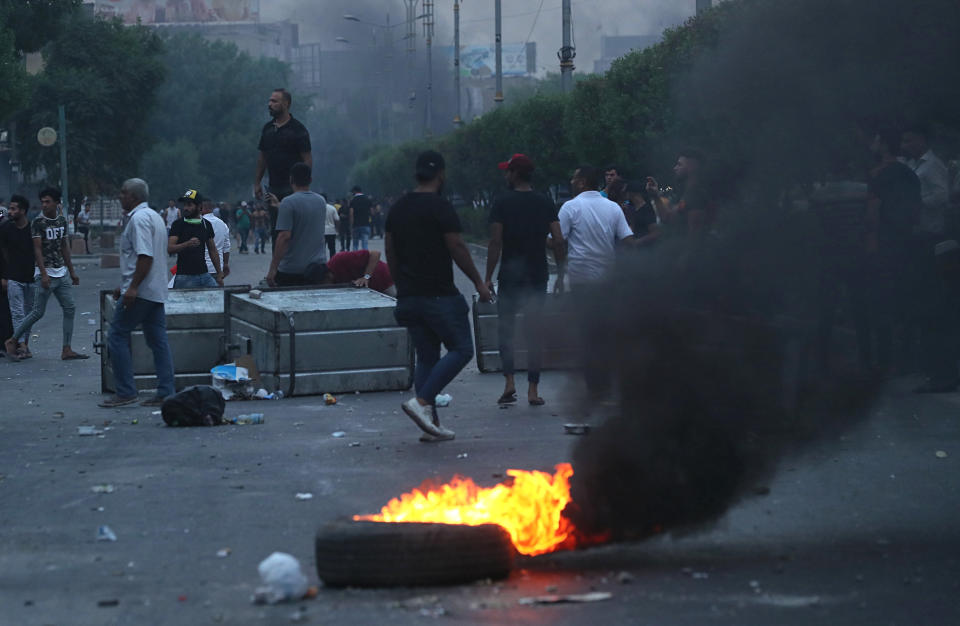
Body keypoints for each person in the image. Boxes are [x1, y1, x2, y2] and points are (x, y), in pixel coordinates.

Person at [385, 150, 492, 442]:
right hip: (438, 296)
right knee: (462, 349)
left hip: (410, 298)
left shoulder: (398, 208)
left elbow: (390, 252)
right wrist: (479, 282)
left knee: (427, 357)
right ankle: (421, 403)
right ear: (441, 174)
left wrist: (402, 285)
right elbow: (456, 246)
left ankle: (429, 424)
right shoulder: (441, 207)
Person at [484, 153, 565, 406]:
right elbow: (558, 240)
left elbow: (496, 241)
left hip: (510, 274)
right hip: (537, 274)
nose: (505, 175)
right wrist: (561, 274)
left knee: (506, 329)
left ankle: (509, 383)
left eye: (508, 171)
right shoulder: (545, 202)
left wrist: (487, 277)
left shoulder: (502, 202)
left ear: (515, 174)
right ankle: (533, 390)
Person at [99, 178, 175, 408]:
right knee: (158, 340)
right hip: (155, 290)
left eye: (123, 193)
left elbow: (145, 256)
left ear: (134, 197)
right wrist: (125, 285)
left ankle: (125, 391)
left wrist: (131, 288)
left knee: (117, 335)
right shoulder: (153, 217)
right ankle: (166, 390)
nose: (120, 196)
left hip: (141, 291)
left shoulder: (139, 219)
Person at [4, 187, 88, 361]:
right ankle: (13, 341)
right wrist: (43, 274)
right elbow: (37, 249)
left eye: (48, 201)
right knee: (36, 312)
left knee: (70, 308)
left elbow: (64, 246)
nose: (44, 205)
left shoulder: (61, 221)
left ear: (57, 203)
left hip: (61, 272)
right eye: (42, 202)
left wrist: (72, 271)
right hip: (46, 273)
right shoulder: (38, 223)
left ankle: (66, 348)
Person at [556, 166, 635, 291]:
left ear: (582, 183)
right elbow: (629, 241)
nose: (571, 182)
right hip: (606, 277)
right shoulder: (613, 207)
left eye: (574, 179)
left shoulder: (570, 207)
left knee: (582, 310)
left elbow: (557, 240)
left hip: (579, 278)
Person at [254, 88, 312, 248]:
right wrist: (257, 182)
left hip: (293, 188)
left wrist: (304, 186)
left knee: (293, 230)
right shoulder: (267, 129)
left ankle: (296, 266)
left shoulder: (298, 130)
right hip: (273, 187)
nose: (269, 104)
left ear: (286, 104)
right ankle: (278, 268)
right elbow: (262, 158)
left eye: (274, 101)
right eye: (269, 101)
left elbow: (307, 158)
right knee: (276, 230)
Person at [266, 162, 328, 287]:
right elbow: (305, 213)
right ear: (310, 180)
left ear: (291, 180)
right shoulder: (321, 201)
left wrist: (273, 269)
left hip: (292, 271)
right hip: (317, 268)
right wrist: (280, 206)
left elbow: (284, 236)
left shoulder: (288, 203)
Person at [0, 195, 36, 359]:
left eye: (14, 208)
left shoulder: (33, 228)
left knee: (29, 313)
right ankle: (21, 345)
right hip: (13, 277)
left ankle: (24, 343)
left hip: (30, 276)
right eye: (10, 208)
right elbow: (3, 253)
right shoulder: (6, 228)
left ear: (23, 211)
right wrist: (5, 276)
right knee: (17, 313)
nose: (10, 211)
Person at [167, 189, 222, 288]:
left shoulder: (206, 224)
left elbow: (212, 250)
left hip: (205, 276)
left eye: (189, 205)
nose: (185, 208)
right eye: (185, 205)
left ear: (199, 206)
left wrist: (219, 274)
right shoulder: (178, 224)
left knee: (217, 299)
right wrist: (186, 244)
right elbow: (170, 249)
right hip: (184, 277)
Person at [316, 249, 395, 296]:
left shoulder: (339, 259)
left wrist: (366, 277)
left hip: (383, 278)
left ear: (327, 276)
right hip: (371, 290)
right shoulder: (334, 282)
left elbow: (376, 253)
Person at [203, 199, 231, 283]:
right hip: (217, 268)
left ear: (201, 208)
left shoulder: (199, 223)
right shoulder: (222, 224)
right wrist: (225, 264)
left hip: (201, 268)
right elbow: (226, 247)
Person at [349, 185, 373, 251]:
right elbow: (372, 211)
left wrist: (351, 225)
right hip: (365, 224)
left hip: (356, 225)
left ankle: (355, 259)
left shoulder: (353, 200)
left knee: (355, 244)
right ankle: (365, 259)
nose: (352, 193)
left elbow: (351, 214)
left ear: (355, 191)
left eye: (352, 192)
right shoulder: (367, 199)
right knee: (365, 244)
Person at [322, 193, 339, 259]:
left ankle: (322, 262)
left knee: (321, 249)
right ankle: (333, 262)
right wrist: (337, 229)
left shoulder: (316, 208)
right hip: (331, 231)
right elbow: (337, 220)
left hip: (321, 232)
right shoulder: (332, 208)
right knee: (332, 248)